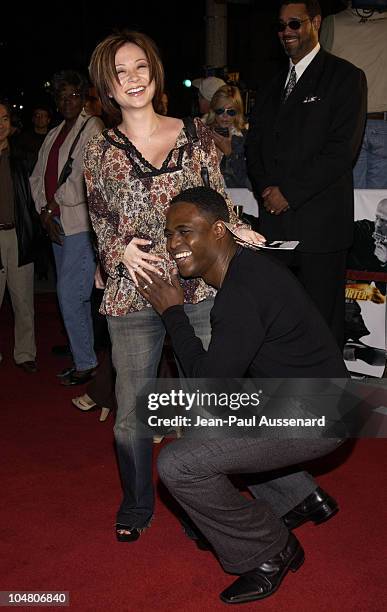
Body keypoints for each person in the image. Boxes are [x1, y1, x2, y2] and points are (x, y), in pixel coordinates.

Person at [84, 30, 265, 542]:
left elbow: (215, 200)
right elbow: (101, 219)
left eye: (140, 66)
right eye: (120, 73)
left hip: (199, 288)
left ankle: (207, 503)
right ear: (109, 88)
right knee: (131, 415)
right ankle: (138, 502)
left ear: (154, 72)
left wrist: (237, 227)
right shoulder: (100, 150)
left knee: (211, 400)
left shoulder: (195, 134)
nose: (133, 79)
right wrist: (117, 251)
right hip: (135, 289)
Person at [137, 186, 347, 604]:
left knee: (180, 464)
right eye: (169, 234)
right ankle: (303, 497)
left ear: (219, 231)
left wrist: (173, 312)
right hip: (321, 400)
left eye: (185, 232)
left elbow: (207, 384)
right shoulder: (250, 269)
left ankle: (269, 549)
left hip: (318, 417)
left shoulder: (240, 295)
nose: (173, 244)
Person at [246, 0, 367, 348]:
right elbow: (254, 146)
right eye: (281, 26)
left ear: (315, 22)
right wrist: (266, 187)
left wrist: (289, 193)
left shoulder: (346, 78)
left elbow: (342, 151)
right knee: (278, 319)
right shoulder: (270, 85)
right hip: (275, 226)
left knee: (322, 323)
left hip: (321, 226)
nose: (286, 32)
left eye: (295, 24)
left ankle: (325, 401)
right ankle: (283, 398)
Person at [30, 70, 104, 385]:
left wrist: (51, 207)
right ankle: (82, 354)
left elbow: (84, 180)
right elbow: (36, 177)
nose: (67, 101)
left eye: (73, 95)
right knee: (72, 294)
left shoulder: (93, 127)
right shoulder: (56, 131)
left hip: (79, 224)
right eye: (61, 97)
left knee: (70, 294)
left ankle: (86, 362)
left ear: (83, 96)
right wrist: (43, 213)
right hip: (56, 223)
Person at [320, 1, 387, 189]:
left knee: (351, 196)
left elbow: (320, 74)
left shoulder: (333, 23)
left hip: (345, 123)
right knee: (380, 202)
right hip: (382, 121)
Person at [0, 100, 41, 372]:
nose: (0, 125)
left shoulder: (22, 155)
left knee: (23, 299)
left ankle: (25, 353)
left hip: (18, 235)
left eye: (3, 118)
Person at [206, 84, 252, 189]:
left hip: (237, 199)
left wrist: (230, 153)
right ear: (213, 111)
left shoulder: (246, 139)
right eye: (220, 111)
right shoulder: (202, 136)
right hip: (208, 199)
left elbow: (247, 182)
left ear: (238, 112)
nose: (225, 116)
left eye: (231, 111)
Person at [13, 105, 52, 175]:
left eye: (43, 116)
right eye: (37, 115)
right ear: (33, 119)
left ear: (48, 120)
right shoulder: (23, 138)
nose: (40, 118)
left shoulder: (53, 137)